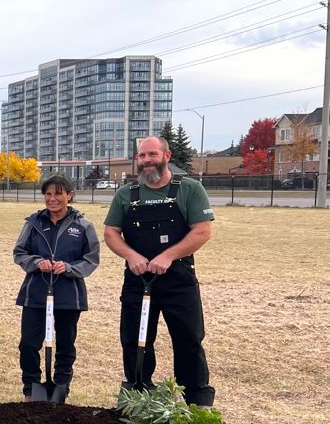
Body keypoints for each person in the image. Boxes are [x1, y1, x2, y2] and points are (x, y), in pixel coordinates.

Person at [103, 135, 216, 406]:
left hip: (178, 279)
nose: (146, 161)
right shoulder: (126, 194)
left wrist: (168, 256)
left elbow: (202, 230)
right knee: (135, 338)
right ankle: (139, 392)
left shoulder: (189, 189)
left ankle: (197, 399)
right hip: (138, 280)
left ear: (167, 156)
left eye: (152, 155)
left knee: (188, 338)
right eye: (141, 156)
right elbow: (110, 233)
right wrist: (131, 255)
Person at [12, 175, 100, 401]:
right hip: (35, 293)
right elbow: (19, 253)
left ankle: (61, 388)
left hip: (69, 295)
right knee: (29, 344)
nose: (52, 199)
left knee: (65, 344)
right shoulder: (33, 223)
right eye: (48, 194)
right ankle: (31, 390)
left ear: (69, 195)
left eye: (58, 193)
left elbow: (91, 260)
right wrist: (35, 262)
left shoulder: (83, 226)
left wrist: (69, 267)